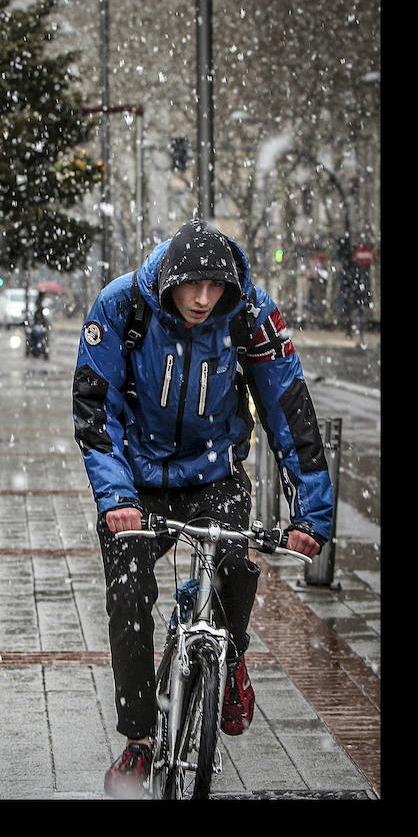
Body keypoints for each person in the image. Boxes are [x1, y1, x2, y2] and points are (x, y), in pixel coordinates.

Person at [72, 220, 333, 798]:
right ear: (168, 279)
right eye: (192, 287)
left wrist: (311, 515)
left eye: (215, 288)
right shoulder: (120, 308)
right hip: (137, 485)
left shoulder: (249, 314)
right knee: (130, 595)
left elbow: (289, 408)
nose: (202, 300)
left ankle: (231, 659)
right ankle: (139, 741)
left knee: (238, 567)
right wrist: (116, 499)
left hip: (214, 474)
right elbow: (95, 410)